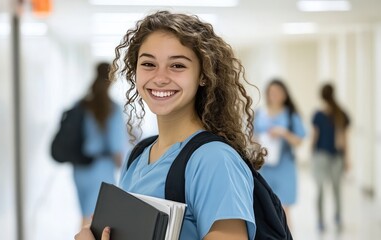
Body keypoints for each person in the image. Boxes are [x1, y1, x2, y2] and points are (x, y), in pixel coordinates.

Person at [75, 10, 265, 240]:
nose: (160, 77)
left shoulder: (214, 160)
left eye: (177, 66)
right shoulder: (138, 154)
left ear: (203, 75)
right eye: (148, 64)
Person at [73, 62, 127, 226]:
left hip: (80, 168)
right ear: (111, 79)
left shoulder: (82, 105)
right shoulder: (112, 108)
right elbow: (117, 146)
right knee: (96, 221)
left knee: (84, 216)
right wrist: (124, 169)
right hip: (101, 169)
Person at [254, 79, 306, 224]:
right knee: (265, 208)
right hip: (264, 168)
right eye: (272, 92)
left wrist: (284, 133)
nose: (275, 95)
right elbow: (251, 137)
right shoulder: (259, 114)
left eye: (278, 92)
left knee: (284, 209)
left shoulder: (291, 115)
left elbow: (299, 140)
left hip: (285, 168)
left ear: (285, 95)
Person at [311, 83, 350, 233]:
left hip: (321, 155)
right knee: (336, 189)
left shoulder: (322, 115)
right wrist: (347, 159)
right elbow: (345, 139)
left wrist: (311, 156)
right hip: (335, 157)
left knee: (321, 189)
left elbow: (315, 138)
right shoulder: (340, 113)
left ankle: (321, 220)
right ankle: (337, 217)